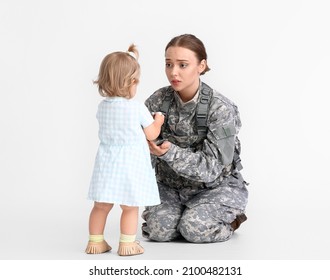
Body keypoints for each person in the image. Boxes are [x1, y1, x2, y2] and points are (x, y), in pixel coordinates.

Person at [142, 34, 248, 243]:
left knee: (194, 230)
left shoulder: (220, 108)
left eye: (183, 65)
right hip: (170, 186)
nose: (174, 72)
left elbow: (212, 168)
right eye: (169, 64)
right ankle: (182, 215)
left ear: (201, 66)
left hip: (215, 187)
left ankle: (229, 219)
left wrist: (169, 152)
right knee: (158, 232)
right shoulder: (157, 101)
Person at [85, 44, 164, 256]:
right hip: (131, 163)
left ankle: (95, 241)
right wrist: (158, 119)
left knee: (101, 205)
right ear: (132, 82)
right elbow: (152, 134)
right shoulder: (136, 107)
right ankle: (127, 244)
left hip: (106, 161)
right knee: (130, 206)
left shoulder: (102, 107)